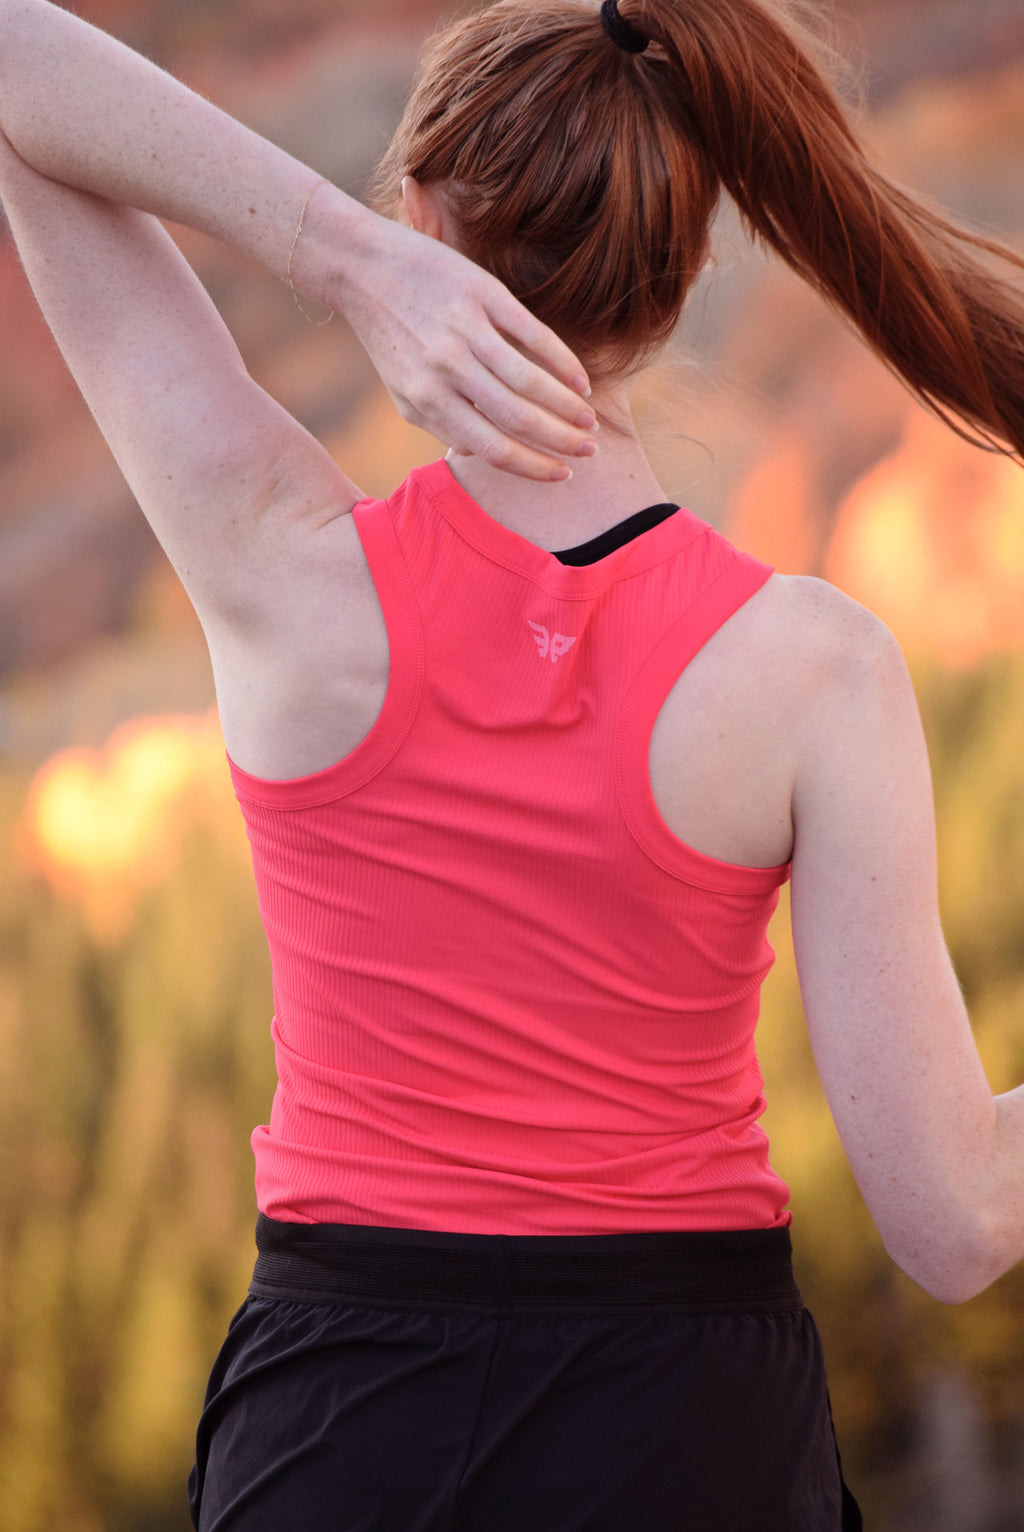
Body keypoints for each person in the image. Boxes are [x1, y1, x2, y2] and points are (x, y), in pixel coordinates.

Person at [2, 0, 1024, 1527]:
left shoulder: (283, 568)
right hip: (693, 1436)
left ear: (423, 214)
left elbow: (18, 66)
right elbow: (955, 1224)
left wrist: (349, 264)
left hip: (341, 1431)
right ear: (686, 272)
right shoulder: (813, 671)